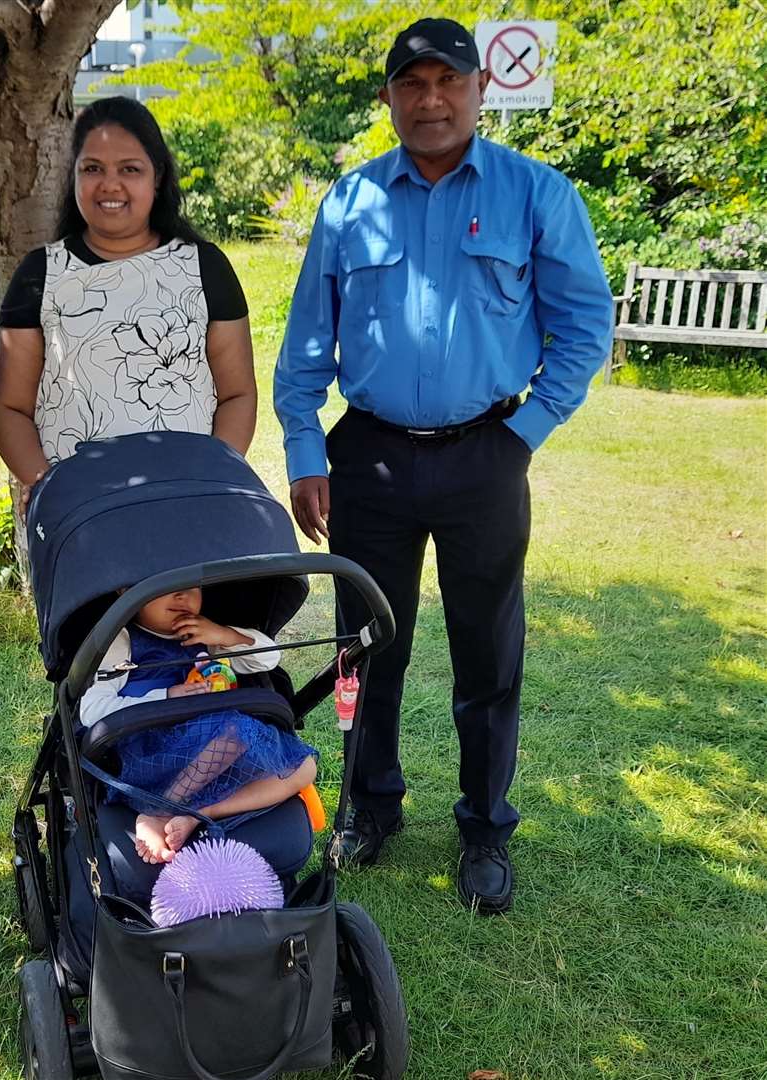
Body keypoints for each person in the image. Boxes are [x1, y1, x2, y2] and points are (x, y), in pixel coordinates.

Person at [273, 19, 614, 914]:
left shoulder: (535, 195)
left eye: (447, 83)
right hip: (368, 457)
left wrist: (525, 432)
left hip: (485, 456)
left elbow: (583, 328)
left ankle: (483, 828)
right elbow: (306, 342)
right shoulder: (347, 203)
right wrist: (307, 451)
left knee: (486, 653)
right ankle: (368, 807)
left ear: (478, 90)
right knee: (363, 645)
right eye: (411, 84)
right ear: (387, 98)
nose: (430, 100)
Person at [0, 95, 257, 500]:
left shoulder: (204, 267)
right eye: (92, 168)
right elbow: (10, 408)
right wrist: (50, 488)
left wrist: (212, 478)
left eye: (129, 169)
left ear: (158, 177)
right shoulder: (41, 274)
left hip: (190, 498)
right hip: (79, 512)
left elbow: (237, 394)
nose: (109, 184)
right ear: (73, 176)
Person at [81, 586, 317, 865]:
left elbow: (269, 658)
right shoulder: (123, 640)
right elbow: (91, 712)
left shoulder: (204, 634)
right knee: (233, 731)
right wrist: (165, 697)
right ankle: (159, 810)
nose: (182, 597)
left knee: (305, 767)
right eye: (168, 589)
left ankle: (200, 811)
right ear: (127, 593)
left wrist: (226, 636)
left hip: (215, 752)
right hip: (154, 754)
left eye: (191, 588)